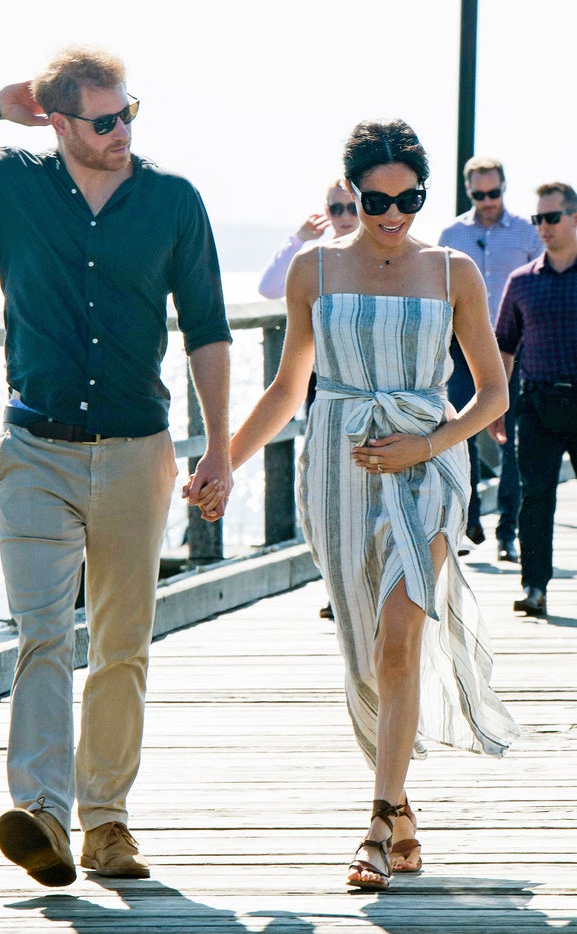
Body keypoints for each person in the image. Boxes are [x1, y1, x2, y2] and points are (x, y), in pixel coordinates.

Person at [0, 45, 232, 887]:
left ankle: (107, 824)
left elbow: (209, 328)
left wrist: (218, 446)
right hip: (35, 449)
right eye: (103, 120)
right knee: (40, 634)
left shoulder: (174, 201)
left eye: (127, 113)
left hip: (139, 450)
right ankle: (42, 811)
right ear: (60, 122)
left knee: (121, 645)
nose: (121, 132)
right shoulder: (14, 181)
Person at [197, 119, 519, 890]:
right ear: (353, 191)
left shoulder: (453, 274)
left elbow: (492, 393)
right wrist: (223, 461)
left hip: (427, 466)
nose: (393, 214)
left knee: (401, 637)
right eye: (378, 200)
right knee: (367, 654)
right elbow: (285, 389)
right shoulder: (314, 271)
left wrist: (428, 447)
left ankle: (375, 823)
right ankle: (403, 810)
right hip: (337, 469)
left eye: (410, 197)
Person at [258, 181, 359, 621]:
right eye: (335, 207)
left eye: (352, 206)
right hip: (325, 386)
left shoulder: (381, 257)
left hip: (370, 387)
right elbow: (267, 288)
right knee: (325, 492)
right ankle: (338, 589)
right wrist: (299, 238)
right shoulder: (316, 261)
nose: (343, 215)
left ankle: (361, 588)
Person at [439, 157, 543, 560]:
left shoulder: (527, 232)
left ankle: (508, 531)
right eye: (479, 194)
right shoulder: (451, 234)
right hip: (462, 350)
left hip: (516, 350)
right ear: (469, 193)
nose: (487, 201)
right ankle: (470, 522)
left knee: (511, 441)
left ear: (504, 186)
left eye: (493, 192)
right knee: (461, 431)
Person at [491, 182, 577, 617]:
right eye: (537, 219)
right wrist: (498, 406)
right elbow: (504, 346)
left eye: (552, 218)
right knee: (535, 497)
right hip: (538, 405)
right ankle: (535, 587)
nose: (543, 227)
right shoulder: (521, 282)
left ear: (574, 218)